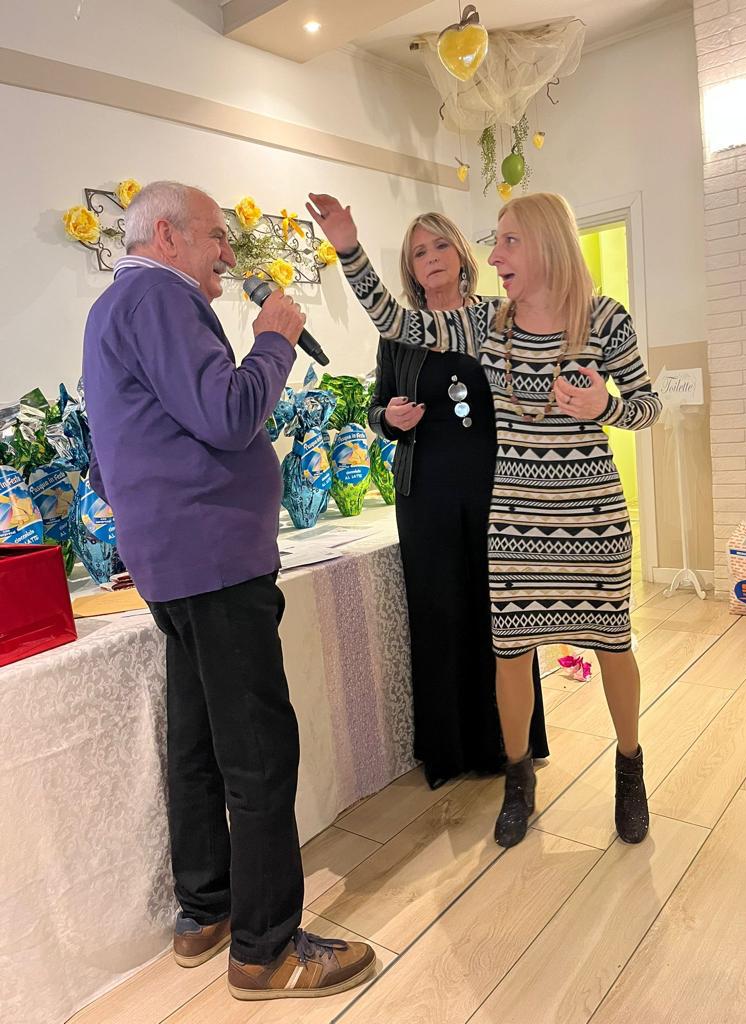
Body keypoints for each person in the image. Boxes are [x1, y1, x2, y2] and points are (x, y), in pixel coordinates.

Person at [82, 181, 374, 1001]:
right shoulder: (162, 300)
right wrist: (273, 343)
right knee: (258, 751)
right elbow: (227, 414)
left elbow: (107, 460)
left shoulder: (112, 309)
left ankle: (204, 911)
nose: (227, 254)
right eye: (216, 236)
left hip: (173, 560)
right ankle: (266, 950)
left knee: (198, 741)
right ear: (167, 237)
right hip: (214, 560)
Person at [307, 190, 661, 849]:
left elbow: (648, 406)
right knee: (512, 653)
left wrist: (605, 408)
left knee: (613, 644)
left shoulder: (606, 319)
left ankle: (629, 767)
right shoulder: (486, 324)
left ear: (547, 242)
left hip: (593, 516)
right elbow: (395, 321)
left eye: (508, 242)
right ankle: (517, 779)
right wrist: (349, 247)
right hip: (515, 519)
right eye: (494, 244)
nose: (493, 257)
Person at [369, 212, 548, 789]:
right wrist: (390, 418)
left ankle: (511, 745)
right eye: (420, 253)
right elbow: (376, 408)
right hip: (425, 494)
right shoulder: (398, 332)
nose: (432, 259)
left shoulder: (498, 316)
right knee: (439, 612)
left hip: (495, 485)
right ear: (411, 269)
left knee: (503, 614)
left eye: (441, 246)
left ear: (462, 255)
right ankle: (449, 750)